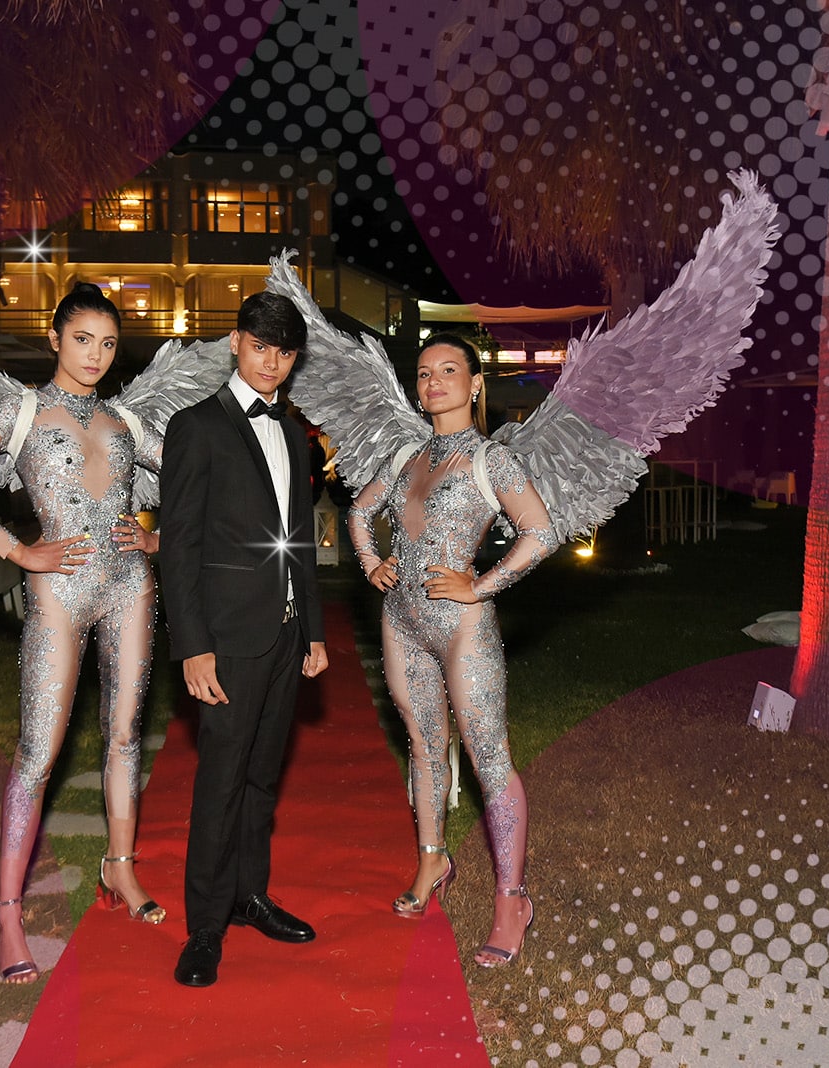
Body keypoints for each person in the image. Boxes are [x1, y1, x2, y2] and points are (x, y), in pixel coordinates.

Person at [0, 282, 167, 984]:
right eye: (82, 339)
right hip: (59, 593)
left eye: (108, 343)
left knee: (125, 734)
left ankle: (120, 868)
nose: (95, 355)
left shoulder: (126, 421)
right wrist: (18, 550)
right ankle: (8, 912)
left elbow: (198, 481)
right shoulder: (21, 411)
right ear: (55, 339)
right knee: (39, 751)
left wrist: (159, 539)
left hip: (130, 587)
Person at [347, 334, 558, 967]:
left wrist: (481, 584)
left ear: (474, 384)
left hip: (464, 626)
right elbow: (359, 512)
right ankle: (432, 861)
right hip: (401, 621)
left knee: (489, 755)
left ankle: (512, 899)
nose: (434, 381)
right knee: (423, 744)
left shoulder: (492, 459)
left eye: (448, 370)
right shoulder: (406, 454)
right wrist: (371, 561)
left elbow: (540, 532)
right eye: (424, 373)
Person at [158, 291, 329, 988]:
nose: (271, 364)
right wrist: (192, 645)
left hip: (286, 635)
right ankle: (204, 927)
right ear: (235, 342)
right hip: (226, 638)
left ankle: (249, 896)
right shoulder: (195, 426)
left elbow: (299, 539)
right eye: (261, 347)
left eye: (284, 353)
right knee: (221, 781)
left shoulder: (294, 431)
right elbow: (179, 546)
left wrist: (314, 629)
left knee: (262, 777)